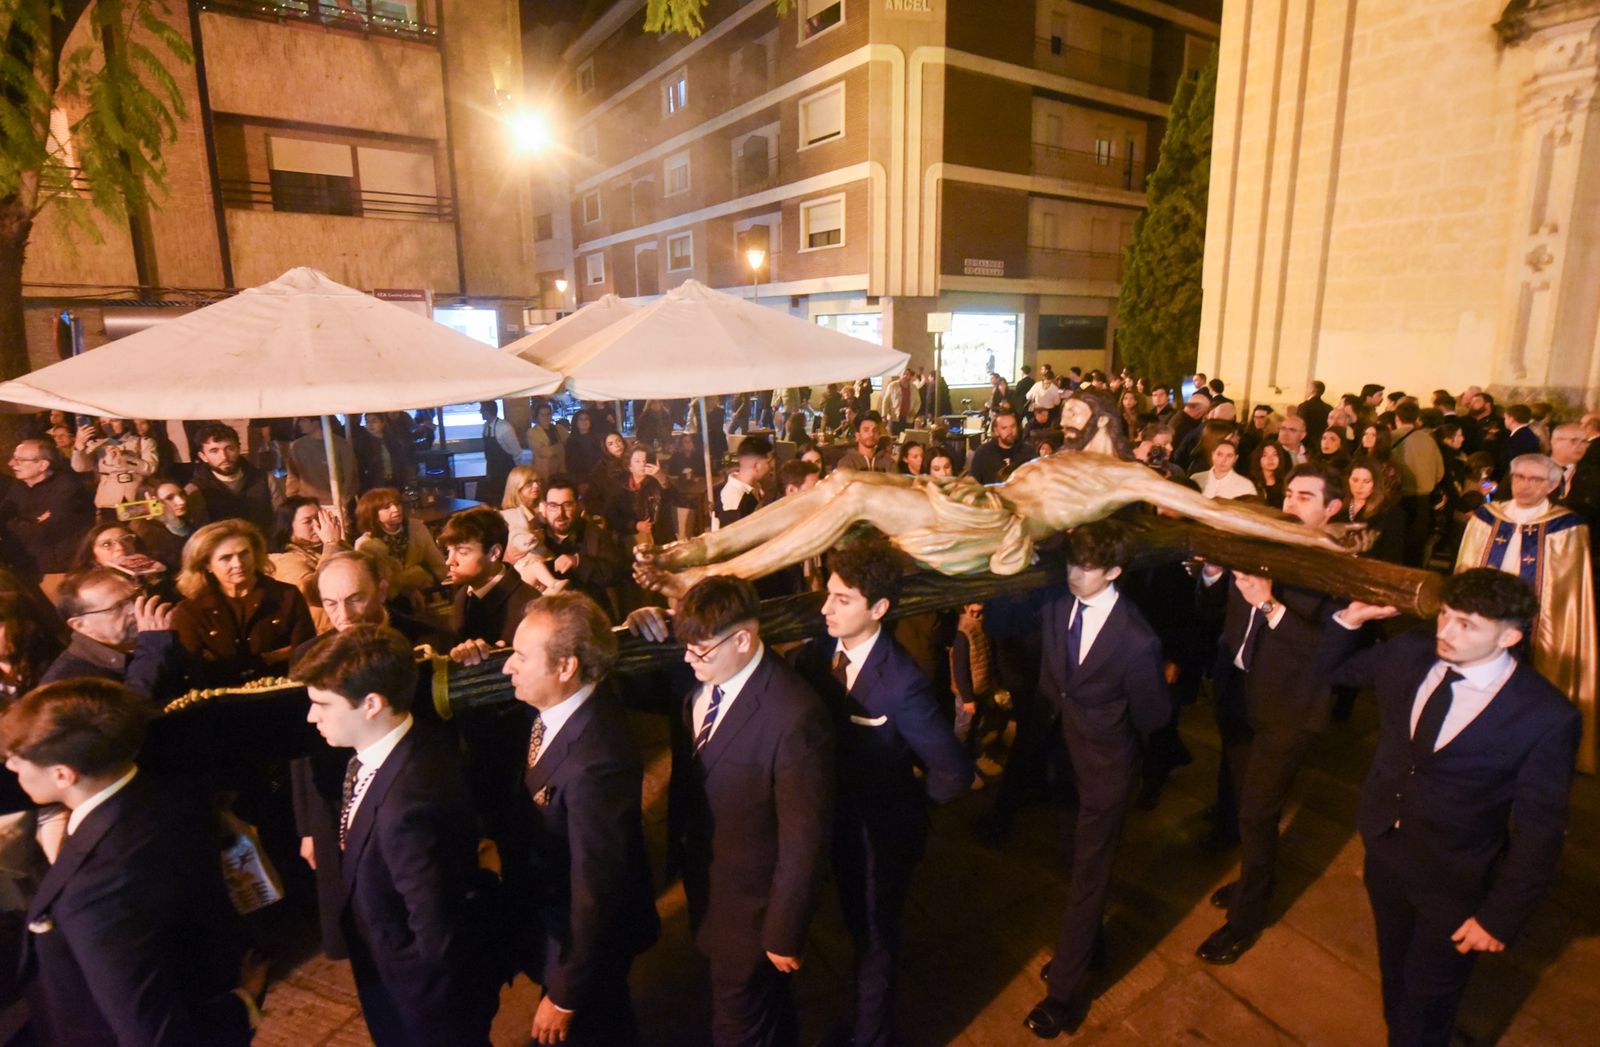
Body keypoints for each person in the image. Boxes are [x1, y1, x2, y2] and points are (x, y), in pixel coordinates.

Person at [1330, 571, 1580, 1047]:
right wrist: (1350, 618)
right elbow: (1336, 672)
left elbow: (1539, 832)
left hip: (1456, 879)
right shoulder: (1410, 653)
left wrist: (1499, 917)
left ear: (1509, 636)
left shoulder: (1545, 716)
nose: (1445, 632)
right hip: (1386, 852)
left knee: (1430, 995)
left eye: (1467, 625)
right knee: (1395, 973)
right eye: (1446, 615)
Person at [970, 524, 1168, 1038]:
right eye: (1072, 565)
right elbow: (1003, 617)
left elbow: (1152, 715)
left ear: (1115, 572)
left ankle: (1063, 995)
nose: (1075, 575)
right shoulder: (1059, 599)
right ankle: (1091, 943)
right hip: (1062, 758)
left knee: (1087, 877)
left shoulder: (1136, 639)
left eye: (1087, 568)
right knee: (1074, 861)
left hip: (1105, 769)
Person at [2, 678, 261, 1045]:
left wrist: (242, 1006)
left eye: (18, 760)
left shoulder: (93, 892)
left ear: (63, 774)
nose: (11, 766)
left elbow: (151, 1035)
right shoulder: (173, 794)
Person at [792, 540, 971, 1047]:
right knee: (853, 924)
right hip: (835, 822)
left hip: (879, 835)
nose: (826, 607)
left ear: (880, 608)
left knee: (875, 942)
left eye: (842, 599)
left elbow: (954, 773)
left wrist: (906, 809)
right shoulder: (818, 649)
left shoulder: (902, 683)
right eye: (827, 594)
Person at [294, 625, 498, 1047]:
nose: (311, 716)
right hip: (387, 973)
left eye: (321, 704)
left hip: (420, 1006)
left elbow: (436, 936)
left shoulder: (409, 804)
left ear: (371, 704)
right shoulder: (406, 747)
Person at [670, 576, 833, 1047]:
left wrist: (783, 931)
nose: (688, 659)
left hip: (752, 912)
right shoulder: (701, 684)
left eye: (700, 651)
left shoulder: (794, 715)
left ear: (744, 638)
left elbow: (805, 840)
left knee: (737, 1028)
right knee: (768, 1013)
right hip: (710, 891)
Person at [1197, 465, 1347, 964]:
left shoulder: (1339, 565)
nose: (1291, 502)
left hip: (1289, 707)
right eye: (1288, 493)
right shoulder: (1264, 542)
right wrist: (1214, 575)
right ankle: (1251, 879)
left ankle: (1247, 919)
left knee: (1259, 813)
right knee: (1244, 800)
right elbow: (1214, 610)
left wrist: (1269, 605)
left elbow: (1330, 653)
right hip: (1240, 691)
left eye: (1306, 496)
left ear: (1332, 510)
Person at [500, 594, 660, 1046]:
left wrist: (566, 994)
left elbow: (595, 886)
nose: (507, 667)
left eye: (520, 656)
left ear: (566, 667)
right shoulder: (552, 712)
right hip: (553, 926)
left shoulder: (597, 761)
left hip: (584, 947)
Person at [1454, 453, 1596, 772]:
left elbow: (1568, 594)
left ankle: (1521, 744)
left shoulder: (1568, 527)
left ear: (1552, 485)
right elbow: (1464, 568)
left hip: (1535, 621)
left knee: (1525, 685)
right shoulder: (1487, 516)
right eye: (1519, 477)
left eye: (1535, 480)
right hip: (1483, 616)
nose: (1524, 486)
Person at [171, 518, 316, 687]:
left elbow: (306, 654)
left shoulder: (286, 596)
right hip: (220, 702)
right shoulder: (190, 611)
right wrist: (274, 656)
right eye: (226, 558)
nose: (238, 564)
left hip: (283, 693)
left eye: (244, 553)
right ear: (207, 565)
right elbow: (193, 670)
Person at [39, 567, 186, 700]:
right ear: (81, 625)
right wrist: (152, 649)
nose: (134, 609)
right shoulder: (65, 684)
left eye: (135, 597)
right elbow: (129, 717)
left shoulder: (147, 642)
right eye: (118, 606)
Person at [0, 439, 96, 593]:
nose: (12, 463)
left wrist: (13, 524)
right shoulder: (18, 486)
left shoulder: (67, 488)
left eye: (20, 460)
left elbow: (44, 532)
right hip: (22, 570)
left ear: (43, 465)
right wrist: (26, 523)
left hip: (56, 573)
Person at [440, 506, 539, 650]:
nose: (449, 561)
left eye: (462, 552)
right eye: (449, 551)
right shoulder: (464, 593)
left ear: (494, 553)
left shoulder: (529, 607)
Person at [536, 477, 629, 614]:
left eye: (567, 505)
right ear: (544, 508)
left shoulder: (595, 534)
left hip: (590, 613)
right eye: (553, 506)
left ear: (578, 506)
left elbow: (615, 573)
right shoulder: (535, 538)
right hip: (549, 616)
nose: (560, 513)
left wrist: (578, 562)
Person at [353, 487, 448, 600]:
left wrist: (413, 583)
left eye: (397, 504)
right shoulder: (365, 544)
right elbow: (369, 586)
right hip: (387, 603)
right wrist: (404, 586)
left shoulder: (417, 529)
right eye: (386, 507)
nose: (395, 509)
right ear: (373, 514)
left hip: (424, 593)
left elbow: (439, 567)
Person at [270, 496, 348, 626]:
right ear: (289, 528)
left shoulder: (330, 546)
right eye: (308, 522)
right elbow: (312, 591)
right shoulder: (282, 560)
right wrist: (331, 544)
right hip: (323, 630)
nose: (317, 525)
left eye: (318, 518)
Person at [186, 423, 275, 535]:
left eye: (229, 448)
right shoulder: (195, 490)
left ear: (238, 449)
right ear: (203, 456)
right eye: (214, 451)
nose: (224, 456)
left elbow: (281, 520)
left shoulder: (265, 480)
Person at [1390, 401, 1446, 567]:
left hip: (1396, 499)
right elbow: (1439, 473)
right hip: (1422, 501)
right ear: (1417, 419)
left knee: (1396, 546)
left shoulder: (1391, 438)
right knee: (1415, 548)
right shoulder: (1429, 441)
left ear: (1397, 417)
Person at [70, 417, 157, 511]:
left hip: (137, 497)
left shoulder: (144, 442)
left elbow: (150, 468)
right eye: (103, 422)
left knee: (139, 525)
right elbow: (79, 467)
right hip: (108, 500)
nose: (108, 425)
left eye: (113, 420)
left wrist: (125, 458)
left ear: (125, 422)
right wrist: (79, 446)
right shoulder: (97, 445)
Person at [130, 478, 208, 571]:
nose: (181, 501)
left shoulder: (190, 522)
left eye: (181, 494)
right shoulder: (140, 537)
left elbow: (201, 552)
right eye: (169, 498)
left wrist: (175, 524)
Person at [287, 416, 358, 506]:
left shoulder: (341, 445)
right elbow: (293, 475)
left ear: (316, 422)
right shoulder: (296, 446)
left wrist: (343, 499)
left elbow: (350, 476)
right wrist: (291, 499)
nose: (299, 424)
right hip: (306, 502)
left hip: (334, 502)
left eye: (304, 420)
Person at [1346, 457, 1406, 563]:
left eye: (1366, 481)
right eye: (1355, 480)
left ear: (1375, 484)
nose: (1359, 487)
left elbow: (1393, 556)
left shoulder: (1390, 513)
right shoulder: (1338, 507)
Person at [967, 407, 1036, 484]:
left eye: (1013, 426)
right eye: (1004, 428)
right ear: (996, 431)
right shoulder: (983, 453)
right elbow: (974, 483)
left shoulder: (1027, 452)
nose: (1010, 431)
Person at [479, 400, 521, 507]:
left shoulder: (505, 427)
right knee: (493, 499)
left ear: (488, 411)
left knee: (506, 500)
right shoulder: (485, 427)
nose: (480, 412)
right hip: (492, 470)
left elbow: (516, 451)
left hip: (506, 470)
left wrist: (516, 471)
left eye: (482, 410)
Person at [527, 401, 567, 481]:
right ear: (537, 416)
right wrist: (560, 447)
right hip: (543, 471)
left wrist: (553, 448)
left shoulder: (559, 429)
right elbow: (544, 452)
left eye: (548, 414)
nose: (546, 417)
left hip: (560, 469)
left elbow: (568, 443)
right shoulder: (532, 432)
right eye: (542, 415)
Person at [1250, 443, 1288, 509]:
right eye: (1265, 455)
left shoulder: (1285, 483)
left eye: (1275, 455)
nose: (1270, 459)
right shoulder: (1250, 483)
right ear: (1258, 459)